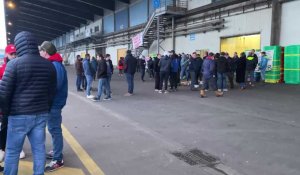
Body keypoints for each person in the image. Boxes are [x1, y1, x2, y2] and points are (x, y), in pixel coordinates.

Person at [0, 31, 57, 175]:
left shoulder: (13, 65)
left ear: (19, 46)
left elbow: (4, 93)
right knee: (39, 150)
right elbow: (51, 92)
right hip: (40, 114)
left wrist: (5, 113)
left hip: (18, 115)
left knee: (12, 152)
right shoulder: (49, 65)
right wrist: (46, 108)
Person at [38, 41, 68, 172]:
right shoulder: (53, 63)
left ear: (46, 51)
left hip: (54, 104)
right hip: (52, 103)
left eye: (41, 50)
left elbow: (55, 86)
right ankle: (56, 151)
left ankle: (58, 159)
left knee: (55, 130)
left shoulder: (55, 65)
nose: (39, 53)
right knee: (53, 129)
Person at [0, 45, 26, 169]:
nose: (14, 56)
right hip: (5, 104)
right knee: (5, 126)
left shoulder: (20, 66)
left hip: (17, 104)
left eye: (15, 53)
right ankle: (1, 148)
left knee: (17, 127)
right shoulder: (2, 68)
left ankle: (19, 148)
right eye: (11, 54)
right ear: (6, 55)